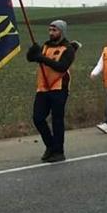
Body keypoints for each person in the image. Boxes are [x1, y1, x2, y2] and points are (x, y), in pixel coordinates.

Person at [27, 20, 79, 163]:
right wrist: (32, 52)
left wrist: (42, 58)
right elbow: (31, 58)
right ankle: (50, 146)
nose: (51, 33)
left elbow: (61, 67)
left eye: (54, 30)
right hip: (43, 87)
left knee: (57, 120)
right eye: (50, 30)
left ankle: (59, 151)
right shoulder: (45, 46)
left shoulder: (68, 49)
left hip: (59, 87)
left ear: (61, 32)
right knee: (38, 118)